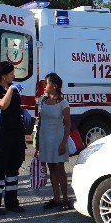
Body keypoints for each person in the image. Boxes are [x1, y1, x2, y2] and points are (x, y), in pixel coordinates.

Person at [0, 61, 27, 215]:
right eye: (11, 73)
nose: (14, 76)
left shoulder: (12, 89)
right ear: (3, 76)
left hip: (15, 134)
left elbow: (14, 107)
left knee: (13, 168)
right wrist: (11, 89)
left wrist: (23, 112)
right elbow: (2, 105)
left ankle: (11, 202)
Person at [38, 73, 72, 210]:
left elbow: (68, 124)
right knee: (51, 168)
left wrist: (64, 143)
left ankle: (65, 199)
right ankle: (56, 198)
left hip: (58, 139)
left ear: (54, 86)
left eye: (46, 83)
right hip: (45, 139)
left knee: (60, 169)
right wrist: (37, 141)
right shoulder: (42, 100)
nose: (44, 86)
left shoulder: (63, 103)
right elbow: (40, 121)